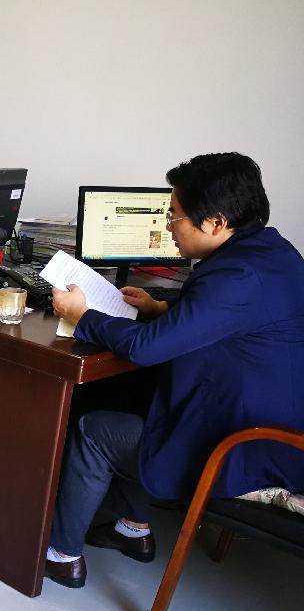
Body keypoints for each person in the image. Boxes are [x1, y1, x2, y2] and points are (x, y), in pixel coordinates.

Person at [45, 152, 304, 588]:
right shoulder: (272, 252)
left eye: (175, 216)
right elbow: (228, 320)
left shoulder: (235, 276)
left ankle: (61, 555)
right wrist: (159, 309)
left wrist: (83, 315)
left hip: (249, 450)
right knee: (141, 396)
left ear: (216, 222)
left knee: (95, 429)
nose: (168, 226)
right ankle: (133, 528)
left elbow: (146, 349)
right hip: (273, 427)